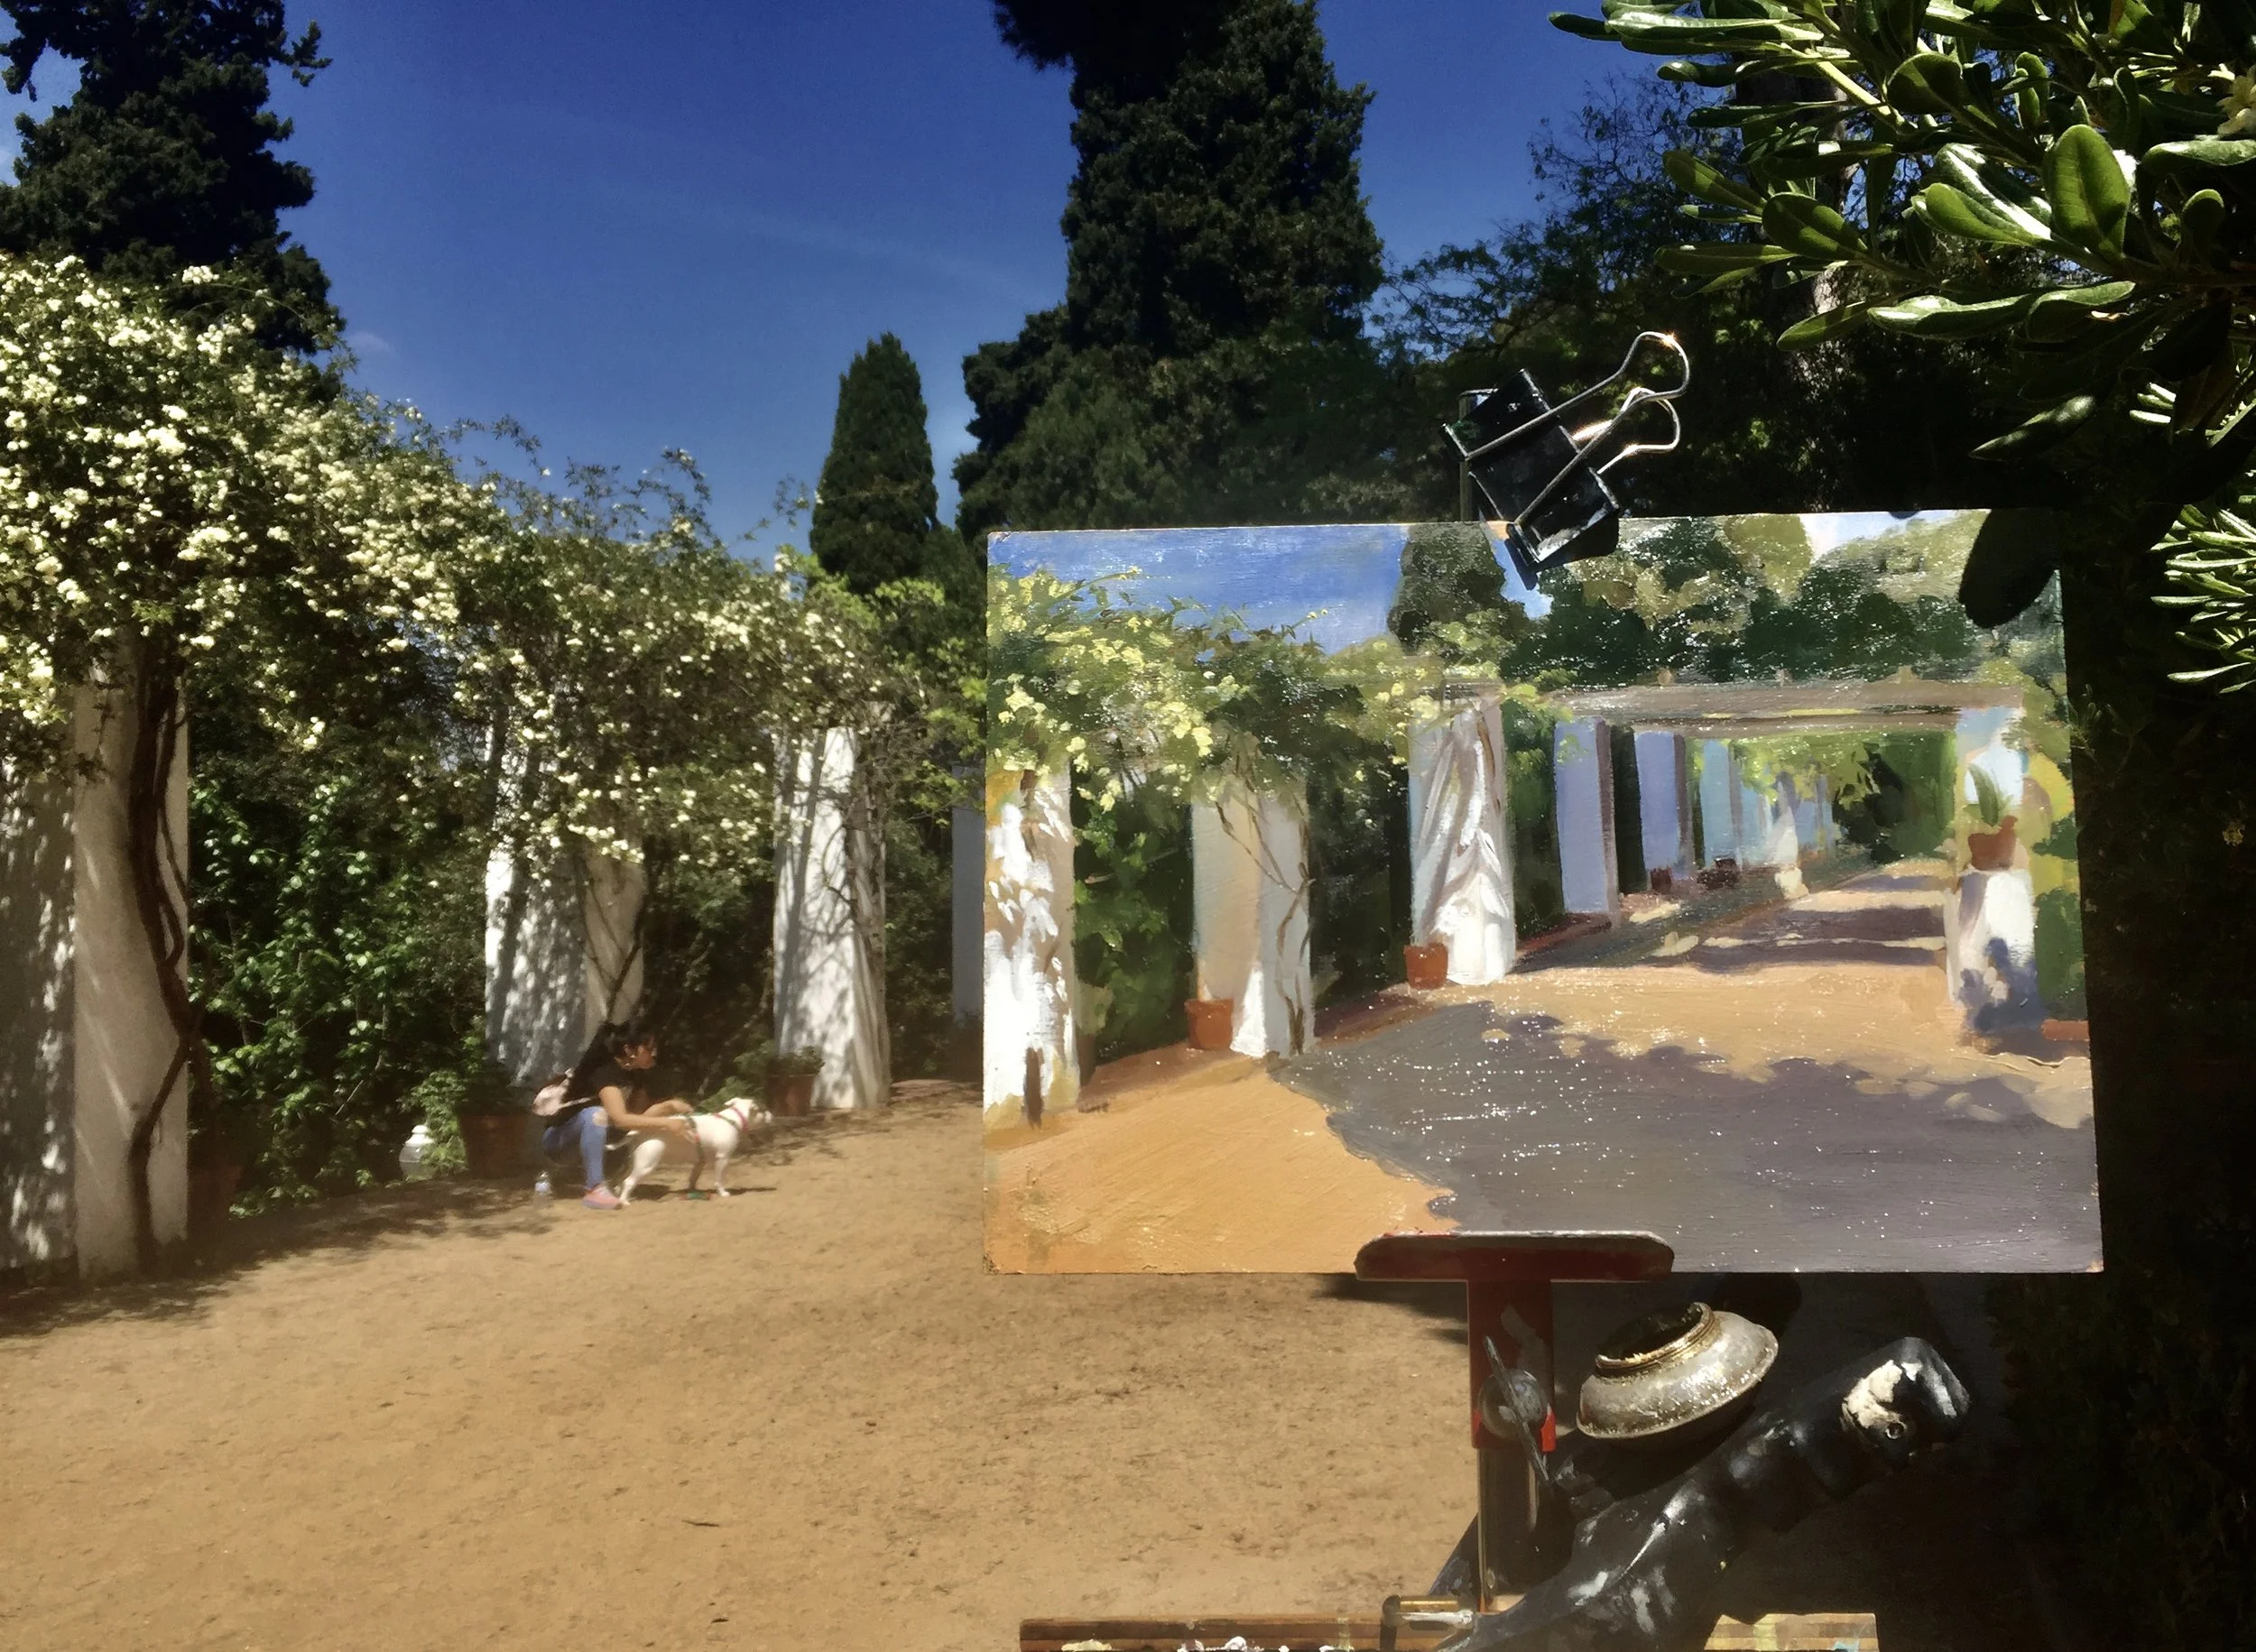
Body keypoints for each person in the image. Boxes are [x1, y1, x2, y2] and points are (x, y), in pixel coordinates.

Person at [541, 1020, 696, 1209]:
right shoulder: (605, 1072)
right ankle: (594, 1189)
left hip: (596, 1139)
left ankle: (592, 1178)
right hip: (559, 1141)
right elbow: (620, 1119)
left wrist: (668, 1107)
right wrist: (667, 1123)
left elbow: (636, 1120)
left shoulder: (637, 1075)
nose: (654, 1053)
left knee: (613, 1123)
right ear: (629, 1050)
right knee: (595, 1114)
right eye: (648, 1048)